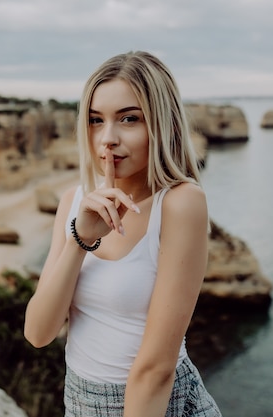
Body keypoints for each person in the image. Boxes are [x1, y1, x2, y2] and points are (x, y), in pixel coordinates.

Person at [24, 51, 222, 417]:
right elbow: (39, 332)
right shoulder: (74, 200)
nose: (107, 139)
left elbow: (155, 371)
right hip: (79, 404)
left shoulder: (180, 203)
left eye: (129, 119)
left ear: (163, 123)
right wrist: (80, 241)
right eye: (96, 120)